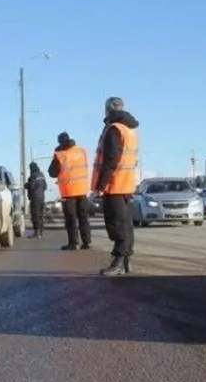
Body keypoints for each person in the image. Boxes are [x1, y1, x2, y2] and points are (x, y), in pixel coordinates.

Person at [90, 96, 140, 276]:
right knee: (126, 225)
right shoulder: (129, 129)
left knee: (117, 225)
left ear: (107, 109)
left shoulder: (114, 129)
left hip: (115, 184)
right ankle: (125, 261)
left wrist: (101, 185)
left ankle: (119, 260)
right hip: (126, 184)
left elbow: (111, 159)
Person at [48, 131, 92, 251]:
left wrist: (55, 156)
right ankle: (87, 242)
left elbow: (52, 172)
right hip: (82, 190)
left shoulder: (60, 154)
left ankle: (74, 243)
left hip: (69, 192)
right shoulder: (82, 151)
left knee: (71, 219)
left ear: (60, 142)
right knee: (83, 218)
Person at [25, 161, 47, 238]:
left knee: (35, 215)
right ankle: (41, 232)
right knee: (40, 215)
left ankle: (36, 233)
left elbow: (31, 186)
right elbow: (45, 187)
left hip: (35, 198)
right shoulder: (42, 175)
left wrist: (26, 185)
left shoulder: (33, 176)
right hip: (42, 197)